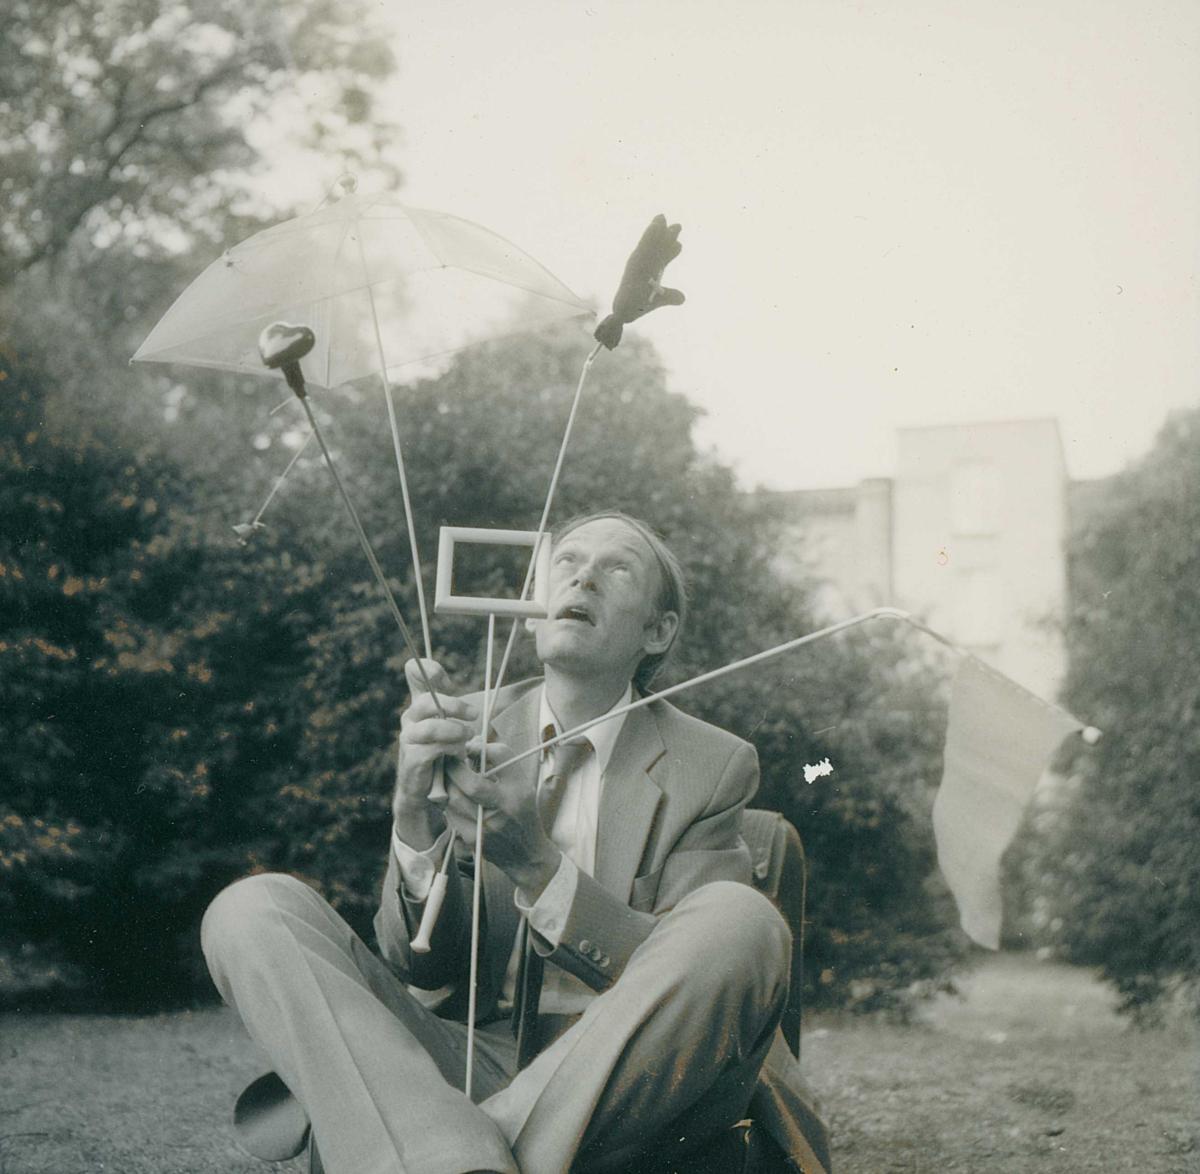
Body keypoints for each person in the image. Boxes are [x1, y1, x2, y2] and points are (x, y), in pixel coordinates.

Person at [202, 511, 830, 1174]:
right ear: (531, 610)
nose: (584, 575)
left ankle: (450, 1154)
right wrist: (411, 811)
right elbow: (423, 969)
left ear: (658, 630)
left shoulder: (713, 764)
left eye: (618, 567)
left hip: (628, 1083)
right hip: (459, 1064)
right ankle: (454, 1147)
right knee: (252, 909)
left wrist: (535, 864)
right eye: (566, 561)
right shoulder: (466, 727)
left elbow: (693, 984)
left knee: (742, 921)